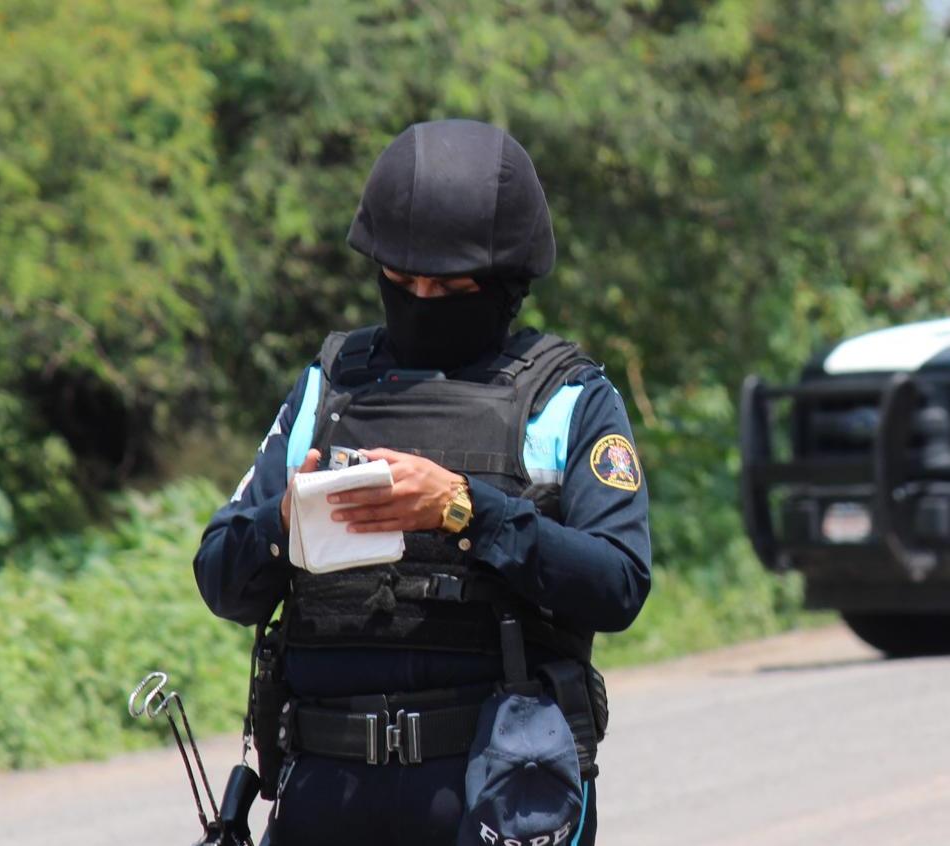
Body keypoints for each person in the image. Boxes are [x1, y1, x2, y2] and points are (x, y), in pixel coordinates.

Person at [193, 119, 651, 845]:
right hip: (326, 795)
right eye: (401, 282)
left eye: (448, 285)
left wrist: (465, 510)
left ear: (505, 285)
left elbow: (617, 584)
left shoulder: (569, 399)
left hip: (495, 796)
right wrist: (284, 523)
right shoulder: (328, 386)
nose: (420, 299)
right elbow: (221, 579)